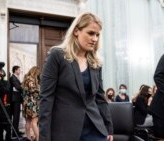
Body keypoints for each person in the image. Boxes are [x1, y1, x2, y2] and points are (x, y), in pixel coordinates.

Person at [39, 12, 113, 141]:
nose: (95, 39)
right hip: (65, 131)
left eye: (97, 35)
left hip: (96, 130)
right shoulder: (57, 55)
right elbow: (46, 98)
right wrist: (44, 137)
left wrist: (109, 128)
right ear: (76, 31)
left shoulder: (96, 62)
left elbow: (100, 98)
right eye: (90, 33)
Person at [22, 66, 40, 141]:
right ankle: (39, 139)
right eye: (38, 73)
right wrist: (40, 90)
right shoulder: (31, 79)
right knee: (34, 122)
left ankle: (29, 138)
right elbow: (33, 90)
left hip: (27, 103)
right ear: (35, 72)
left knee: (28, 121)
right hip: (32, 103)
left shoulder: (26, 78)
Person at [9, 65, 24, 137]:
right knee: (15, 116)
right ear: (15, 70)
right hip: (15, 100)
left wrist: (21, 86)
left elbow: (19, 86)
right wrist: (23, 87)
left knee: (17, 116)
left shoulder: (16, 78)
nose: (20, 71)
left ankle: (16, 131)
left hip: (17, 99)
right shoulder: (12, 78)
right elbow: (18, 87)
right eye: (19, 70)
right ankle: (14, 133)